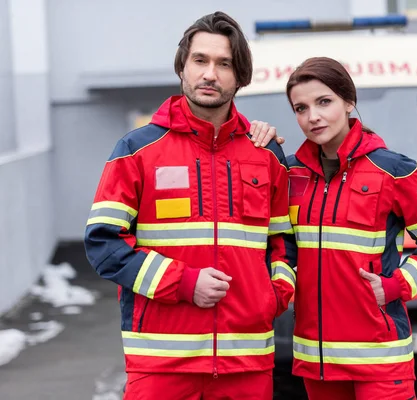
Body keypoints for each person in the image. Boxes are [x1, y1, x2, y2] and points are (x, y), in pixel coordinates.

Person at [84, 11, 296, 400]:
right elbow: (103, 244)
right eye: (200, 60)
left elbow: (284, 243)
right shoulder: (135, 151)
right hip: (160, 363)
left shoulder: (266, 155)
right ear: (183, 66)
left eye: (224, 63)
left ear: (240, 76)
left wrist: (274, 295)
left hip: (246, 362)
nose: (210, 74)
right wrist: (182, 282)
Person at [285, 57, 417, 400]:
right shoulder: (291, 174)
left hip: (380, 359)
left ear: (349, 102)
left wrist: (398, 285)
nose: (312, 117)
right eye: (301, 108)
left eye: (324, 102)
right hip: (316, 359)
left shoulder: (395, 171)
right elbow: (283, 249)